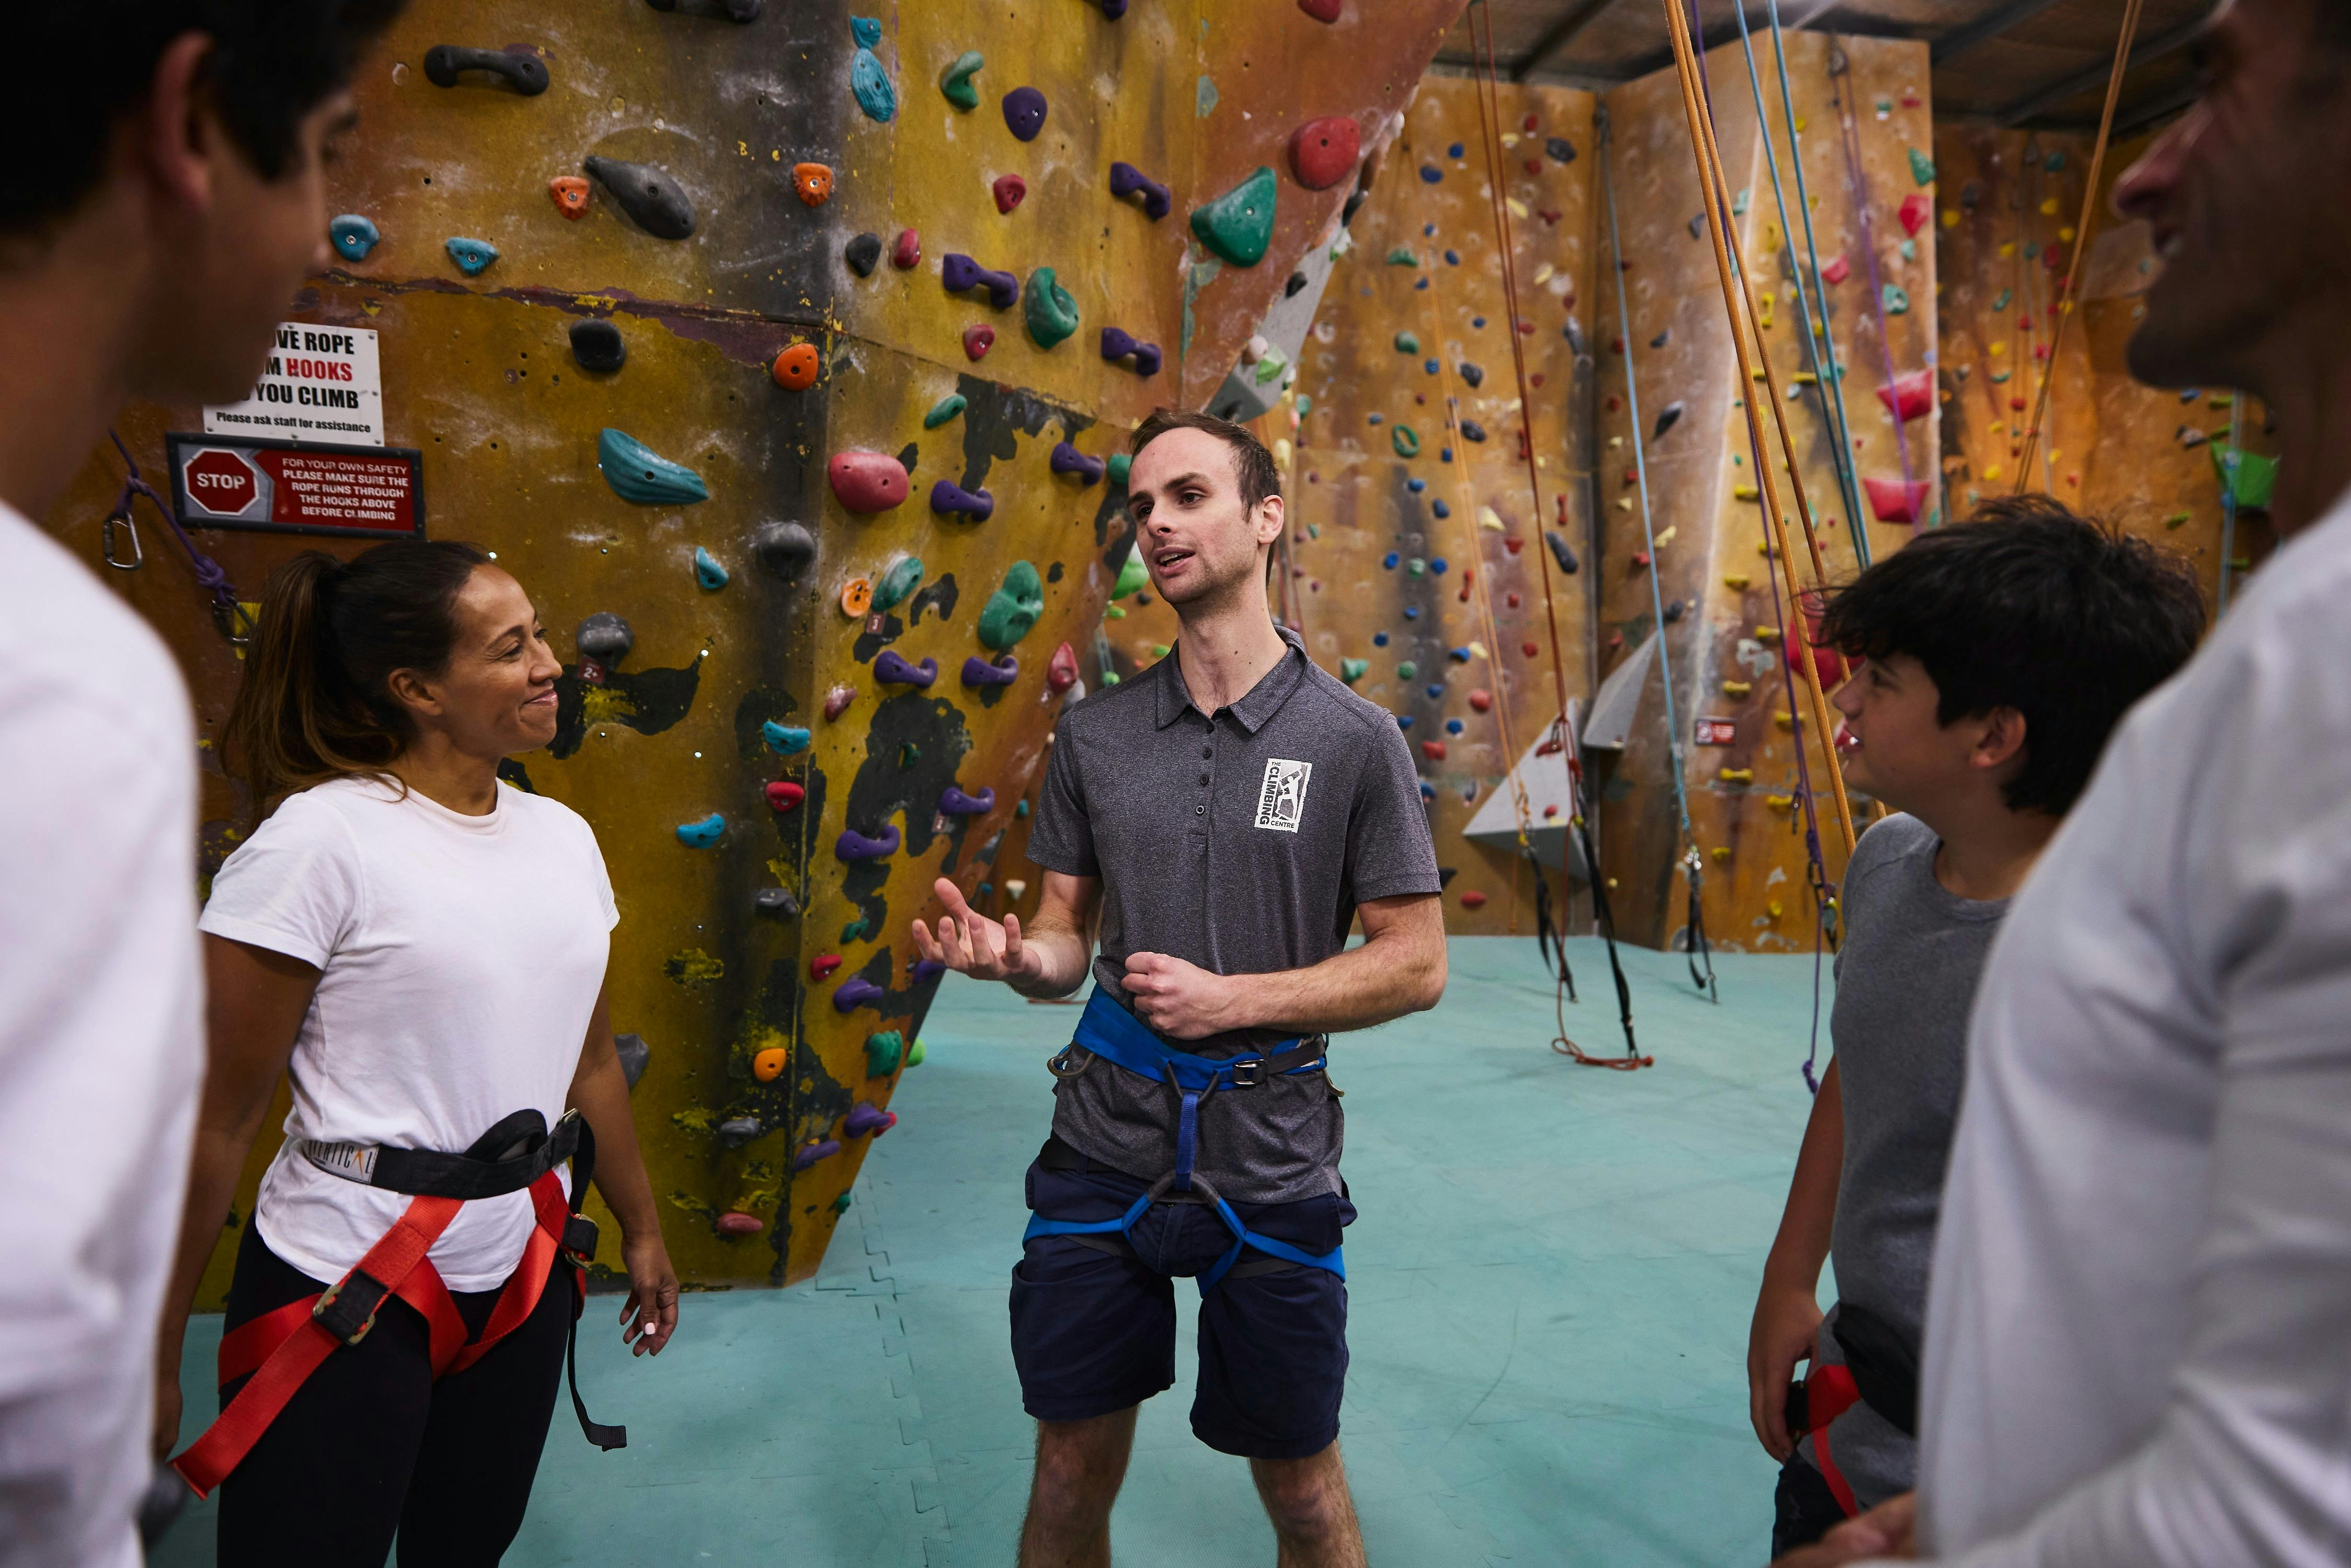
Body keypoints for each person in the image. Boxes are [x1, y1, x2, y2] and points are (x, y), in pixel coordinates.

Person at [1780, 1, 2351, 1561]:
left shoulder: (2306, 701)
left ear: (1995, 736)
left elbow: (2289, 1477)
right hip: (1923, 1437)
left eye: (2217, 87)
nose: (2146, 174)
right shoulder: (2259, 683)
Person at [0, 5, 402, 1563]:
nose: (320, 231)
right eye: (318, 158)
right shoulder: (60, 691)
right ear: (187, 125)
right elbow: (34, 1379)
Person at [911, 409, 1447, 1568]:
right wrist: (1020, 962)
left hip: (1274, 1156)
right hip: (1103, 1144)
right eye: (1141, 506)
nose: (1155, 523)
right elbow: (1065, 936)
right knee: (1066, 1478)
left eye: (1189, 496)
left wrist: (1232, 1002)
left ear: (1266, 518)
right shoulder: (1096, 737)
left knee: (1303, 1495)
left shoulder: (1353, 740)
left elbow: (1416, 961)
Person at [150, 540, 680, 1563]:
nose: (551, 666)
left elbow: (589, 1063)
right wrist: (154, 1355)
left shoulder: (562, 837)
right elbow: (215, 1119)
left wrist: (643, 1228)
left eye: (540, 636)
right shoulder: (319, 846)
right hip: (344, 1279)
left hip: (519, 1271)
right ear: (417, 690)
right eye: (510, 648)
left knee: (466, 1546)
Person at [1747, 500, 2204, 1557]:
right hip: (1851, 1421)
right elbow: (1863, 1065)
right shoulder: (1889, 862)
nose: (1844, 695)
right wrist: (1788, 1275)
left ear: (1993, 736)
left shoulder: (2130, 962)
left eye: (1881, 679)